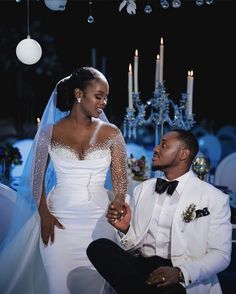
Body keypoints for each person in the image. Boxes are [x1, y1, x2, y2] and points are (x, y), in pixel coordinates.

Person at [0, 67, 128, 294]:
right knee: (58, 286)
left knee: (95, 287)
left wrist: (118, 199)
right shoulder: (48, 132)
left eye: (106, 97)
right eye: (99, 96)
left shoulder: (112, 133)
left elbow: (120, 178)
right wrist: (44, 213)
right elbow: (35, 178)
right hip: (59, 221)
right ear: (79, 94)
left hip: (99, 222)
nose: (104, 102)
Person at [87, 129, 232, 294]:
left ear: (184, 153)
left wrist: (180, 273)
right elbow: (136, 246)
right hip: (142, 268)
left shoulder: (214, 198)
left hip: (179, 275)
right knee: (99, 247)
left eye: (164, 145)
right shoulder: (143, 189)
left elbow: (221, 255)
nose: (156, 149)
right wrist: (126, 229)